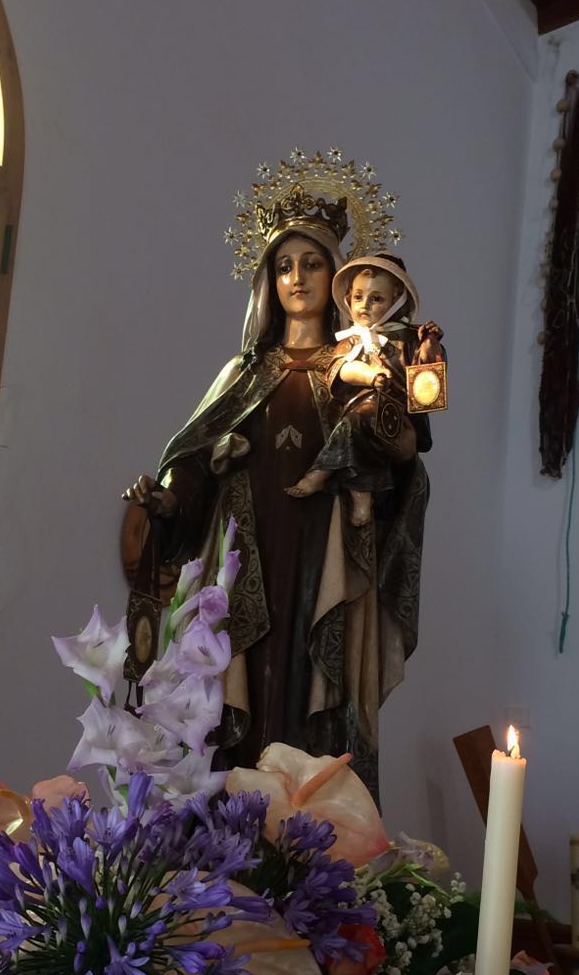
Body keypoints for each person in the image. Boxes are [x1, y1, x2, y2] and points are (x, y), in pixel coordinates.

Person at [123, 180, 430, 802]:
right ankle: (229, 821)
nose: (297, 278)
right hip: (244, 554)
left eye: (312, 264)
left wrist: (394, 422)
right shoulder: (243, 374)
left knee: (310, 681)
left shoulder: (356, 368)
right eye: (284, 266)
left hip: (324, 555)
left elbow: (402, 462)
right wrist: (169, 501)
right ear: (269, 280)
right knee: (243, 681)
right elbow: (194, 463)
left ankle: (303, 829)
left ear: (338, 279)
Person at [285, 254, 445, 528]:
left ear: (396, 298)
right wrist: (371, 376)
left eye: (376, 299)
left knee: (364, 417)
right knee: (356, 422)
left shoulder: (409, 339)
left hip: (398, 421)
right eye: (358, 297)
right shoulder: (351, 341)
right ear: (348, 297)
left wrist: (430, 344)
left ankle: (324, 472)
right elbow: (341, 370)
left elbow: (427, 382)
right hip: (359, 415)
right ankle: (359, 495)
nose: (365, 305)